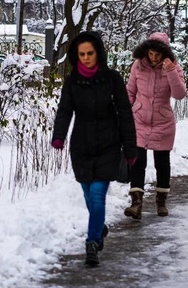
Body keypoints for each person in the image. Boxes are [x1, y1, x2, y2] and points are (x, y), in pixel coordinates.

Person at [51, 32, 137, 267]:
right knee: (90, 197)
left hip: (108, 145)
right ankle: (99, 226)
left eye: (90, 53)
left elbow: (125, 113)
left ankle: (92, 242)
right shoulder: (72, 81)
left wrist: (130, 148)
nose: (86, 58)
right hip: (81, 146)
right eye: (82, 54)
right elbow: (65, 110)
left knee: (98, 196)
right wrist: (59, 136)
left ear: (98, 52)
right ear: (75, 56)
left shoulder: (112, 78)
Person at [125, 32, 186, 219]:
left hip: (162, 121)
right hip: (139, 119)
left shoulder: (173, 68)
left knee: (162, 162)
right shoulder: (138, 65)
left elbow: (179, 94)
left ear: (164, 53)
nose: (153, 58)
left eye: (157, 55)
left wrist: (171, 72)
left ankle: (161, 202)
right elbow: (130, 90)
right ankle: (136, 204)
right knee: (137, 161)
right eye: (151, 54)